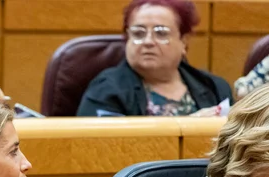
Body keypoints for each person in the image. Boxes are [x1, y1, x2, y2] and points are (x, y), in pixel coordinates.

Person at [77, 0, 233, 117]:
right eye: (138, 33)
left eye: (161, 33)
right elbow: (99, 151)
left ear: (183, 41)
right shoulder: (105, 90)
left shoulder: (214, 87)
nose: (148, 42)